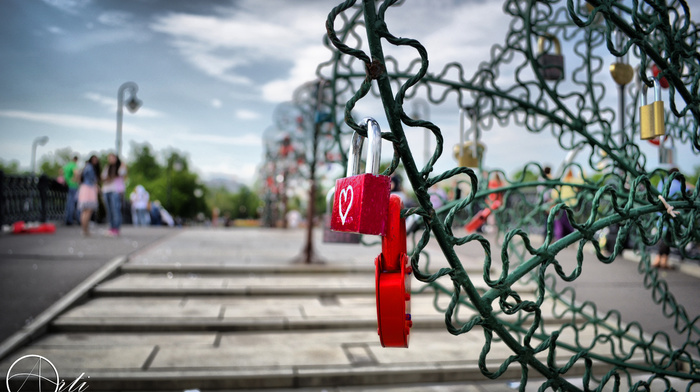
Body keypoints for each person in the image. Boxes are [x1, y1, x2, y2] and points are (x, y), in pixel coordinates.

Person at [652, 168, 684, 269]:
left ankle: (658, 259)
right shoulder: (677, 184)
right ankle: (663, 260)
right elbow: (687, 193)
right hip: (670, 216)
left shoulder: (662, 181)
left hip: (659, 214)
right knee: (667, 238)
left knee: (662, 236)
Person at [550, 168, 582, 241]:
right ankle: (570, 237)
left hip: (562, 204)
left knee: (561, 222)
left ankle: (560, 238)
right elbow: (583, 183)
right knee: (569, 222)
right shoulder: (574, 180)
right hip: (572, 204)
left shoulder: (562, 181)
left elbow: (554, 193)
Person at [101, 153, 127, 236]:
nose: (111, 159)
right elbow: (102, 177)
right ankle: (111, 227)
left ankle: (116, 228)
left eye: (112, 158)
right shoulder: (107, 167)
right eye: (109, 158)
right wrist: (109, 178)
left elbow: (122, 173)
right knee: (109, 210)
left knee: (115, 209)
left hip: (115, 190)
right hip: (106, 190)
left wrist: (122, 164)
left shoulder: (119, 166)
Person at [77, 155, 100, 236]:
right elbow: (90, 178)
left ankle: (85, 230)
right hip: (89, 189)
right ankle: (85, 230)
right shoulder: (90, 167)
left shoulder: (87, 167)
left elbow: (80, 176)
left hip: (85, 188)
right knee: (88, 210)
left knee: (85, 211)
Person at [63, 155, 79, 226]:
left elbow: (63, 173)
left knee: (69, 203)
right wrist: (76, 180)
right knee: (74, 203)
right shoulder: (73, 165)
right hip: (73, 185)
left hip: (68, 185)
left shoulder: (67, 165)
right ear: (76, 160)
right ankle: (73, 219)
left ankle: (68, 219)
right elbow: (76, 173)